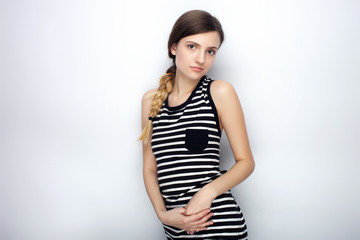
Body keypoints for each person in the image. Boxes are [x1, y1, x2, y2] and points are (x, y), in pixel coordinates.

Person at [139, 10, 255, 240]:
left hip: (220, 225)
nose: (201, 59)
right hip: (175, 230)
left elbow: (246, 162)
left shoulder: (219, 92)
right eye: (192, 46)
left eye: (210, 51)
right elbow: (150, 168)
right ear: (174, 47)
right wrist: (163, 214)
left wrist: (206, 194)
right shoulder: (151, 101)